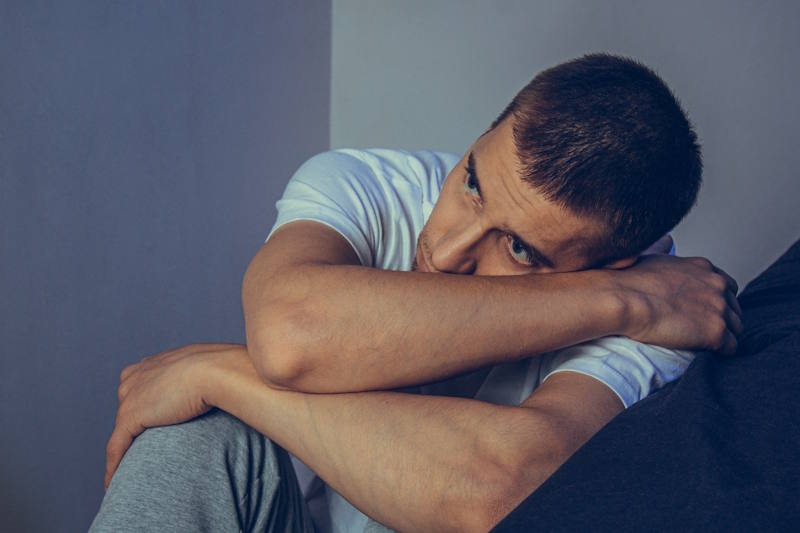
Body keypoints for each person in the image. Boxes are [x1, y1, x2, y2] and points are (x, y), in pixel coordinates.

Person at [90, 53, 741, 532]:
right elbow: (289, 332)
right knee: (197, 435)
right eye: (472, 183)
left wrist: (213, 372)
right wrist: (618, 300)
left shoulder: (669, 314)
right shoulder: (373, 186)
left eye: (519, 249)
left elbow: (498, 490)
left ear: (616, 262)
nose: (449, 250)